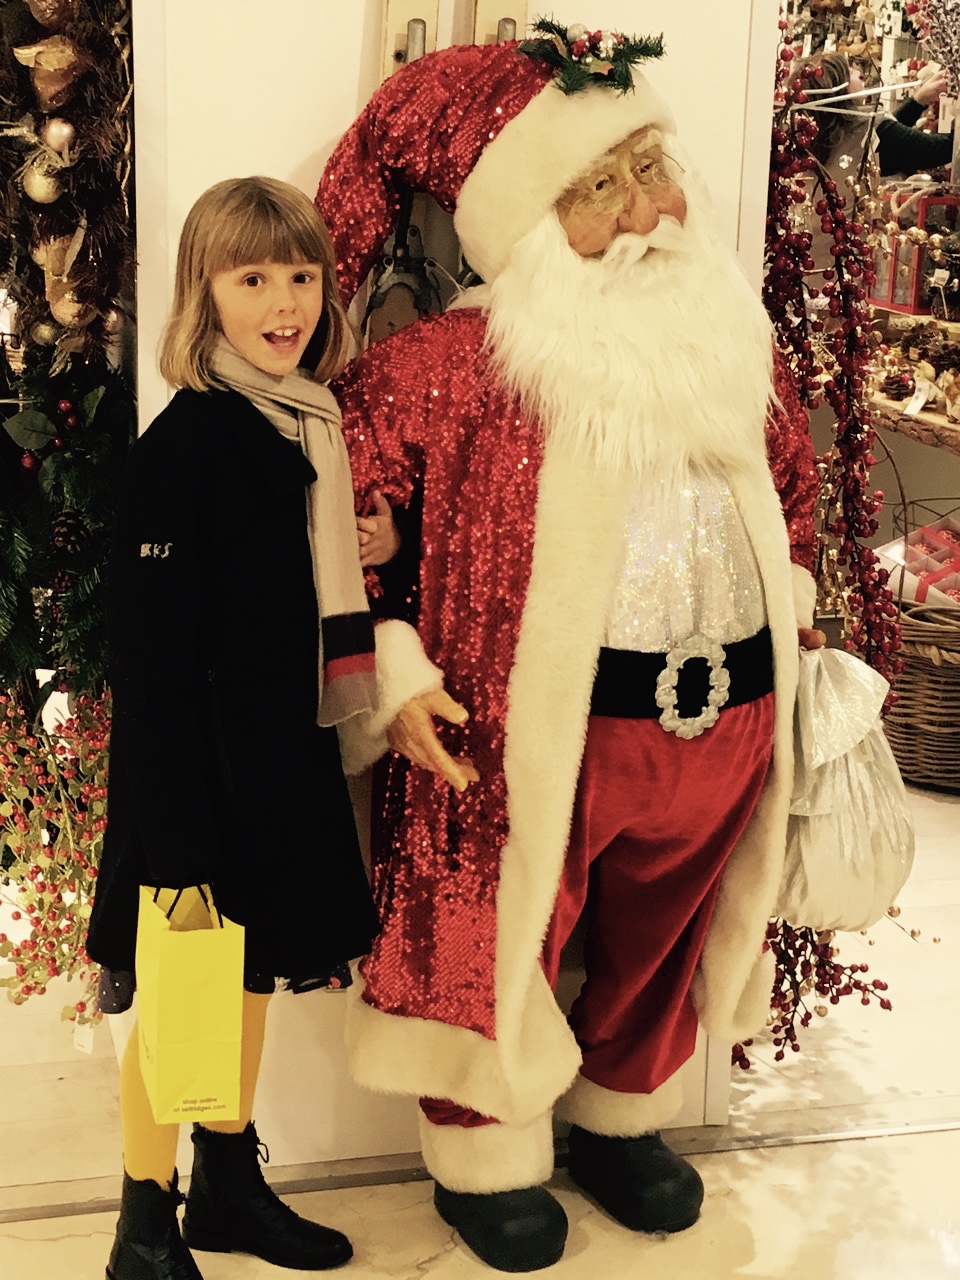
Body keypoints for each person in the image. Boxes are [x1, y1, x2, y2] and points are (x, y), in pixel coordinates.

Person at [317, 28, 823, 1274]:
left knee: (663, 938)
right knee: (495, 933)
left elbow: (794, 485)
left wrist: (801, 607)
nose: (646, 215)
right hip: (532, 742)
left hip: (723, 730)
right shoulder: (449, 368)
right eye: (600, 188)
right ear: (529, 224)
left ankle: (619, 1117)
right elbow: (323, 509)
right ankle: (485, 1153)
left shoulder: (729, 345)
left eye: (650, 169)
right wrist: (392, 663)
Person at [85, 176, 381, 1279]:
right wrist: (176, 845)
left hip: (275, 762)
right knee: (182, 1001)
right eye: (252, 278)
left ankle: (227, 1182)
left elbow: (287, 587)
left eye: (301, 274)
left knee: (246, 981)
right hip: (193, 785)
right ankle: (142, 1225)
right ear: (203, 292)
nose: (284, 302)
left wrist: (380, 548)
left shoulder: (302, 420)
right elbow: (150, 666)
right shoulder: (188, 445)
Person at [799, 51, 952, 178]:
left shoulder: (828, 130)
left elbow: (887, 139)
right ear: (838, 89)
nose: (859, 73)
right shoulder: (867, 128)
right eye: (850, 72)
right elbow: (940, 149)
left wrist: (918, 101)